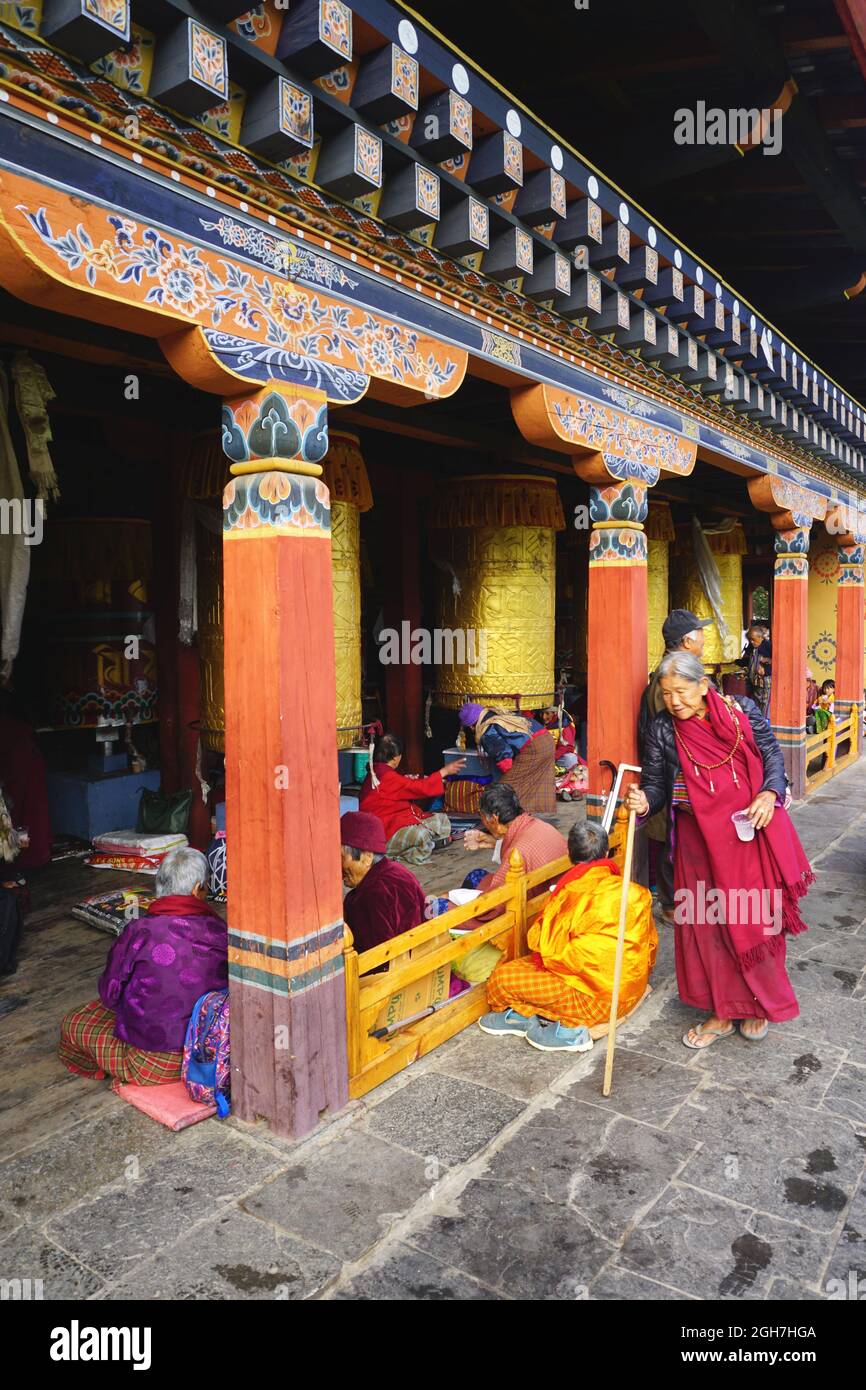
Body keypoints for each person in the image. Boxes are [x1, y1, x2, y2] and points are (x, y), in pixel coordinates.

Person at [625, 651, 813, 1049]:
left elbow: (773, 757)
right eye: (666, 693)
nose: (674, 701)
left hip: (747, 834)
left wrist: (768, 792)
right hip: (698, 843)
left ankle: (759, 1003)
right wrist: (645, 802)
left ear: (702, 684)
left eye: (681, 691)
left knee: (752, 915)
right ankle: (723, 1011)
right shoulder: (662, 729)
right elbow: (657, 785)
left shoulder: (739, 708)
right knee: (706, 922)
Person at [480, 821, 657, 1052]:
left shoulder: (570, 894)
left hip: (597, 1001)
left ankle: (569, 1032)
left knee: (502, 979)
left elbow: (543, 947)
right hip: (631, 989)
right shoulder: (634, 891)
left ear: (570, 855)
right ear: (605, 853)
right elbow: (650, 945)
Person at [59, 848, 228, 1085]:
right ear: (196, 888)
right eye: (206, 886)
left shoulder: (139, 930)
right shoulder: (219, 930)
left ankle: (109, 1071)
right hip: (210, 1055)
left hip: (154, 1064)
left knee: (74, 1021)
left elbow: (109, 995)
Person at [637, 609, 712, 923]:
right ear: (688, 639)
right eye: (700, 633)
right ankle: (670, 905)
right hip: (673, 776)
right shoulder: (665, 681)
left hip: (687, 773)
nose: (704, 639)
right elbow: (667, 733)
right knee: (673, 840)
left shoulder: (683, 674)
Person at [358, 733, 463, 864]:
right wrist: (444, 771)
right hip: (384, 834)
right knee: (422, 836)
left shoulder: (378, 772)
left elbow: (398, 790)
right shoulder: (386, 776)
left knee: (441, 820)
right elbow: (420, 788)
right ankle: (398, 854)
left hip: (394, 822)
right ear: (396, 758)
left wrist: (405, 781)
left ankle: (428, 843)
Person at [341, 810, 427, 955]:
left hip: (398, 973)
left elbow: (376, 959)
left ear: (367, 857)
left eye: (342, 857)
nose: (339, 866)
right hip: (422, 960)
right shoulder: (398, 871)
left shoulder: (367, 897)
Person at [458, 702, 556, 815]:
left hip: (534, 747)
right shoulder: (498, 714)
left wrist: (504, 774)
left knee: (506, 789)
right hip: (546, 739)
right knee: (529, 783)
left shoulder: (487, 729)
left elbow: (504, 754)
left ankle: (508, 820)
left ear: (471, 726)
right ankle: (525, 816)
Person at [0, 689, 51, 869]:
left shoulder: (9, 728)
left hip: (19, 773)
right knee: (29, 816)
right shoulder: (18, 728)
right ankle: (30, 855)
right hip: (26, 772)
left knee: (21, 816)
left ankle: (23, 857)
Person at [742, 622, 772, 718]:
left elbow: (778, 661)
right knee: (755, 705)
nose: (751, 642)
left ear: (761, 638)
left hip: (765, 683)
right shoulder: (752, 647)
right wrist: (735, 662)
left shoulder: (768, 646)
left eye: (753, 639)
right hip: (754, 682)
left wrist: (766, 670)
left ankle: (764, 724)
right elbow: (747, 660)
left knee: (765, 705)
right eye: (750, 639)